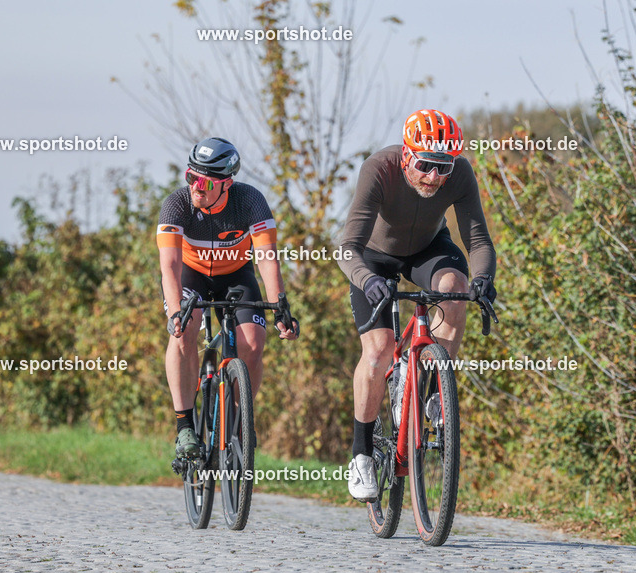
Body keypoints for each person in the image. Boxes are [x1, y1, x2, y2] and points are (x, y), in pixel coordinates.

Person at [337, 110, 498, 501]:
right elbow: (347, 248)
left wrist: (484, 281)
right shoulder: (379, 168)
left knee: (455, 286)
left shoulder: (460, 173)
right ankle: (361, 454)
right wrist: (367, 279)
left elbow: (477, 241)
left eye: (442, 167)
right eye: (424, 165)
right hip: (374, 259)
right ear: (406, 155)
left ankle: (430, 386)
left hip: (427, 251)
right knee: (377, 352)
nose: (433, 177)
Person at [157, 137, 298, 467]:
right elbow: (170, 265)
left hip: (235, 276)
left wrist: (280, 305)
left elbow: (266, 257)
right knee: (183, 331)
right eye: (190, 176)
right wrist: (176, 310)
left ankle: (237, 419)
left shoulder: (250, 201)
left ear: (226, 183)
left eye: (204, 181)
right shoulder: (176, 205)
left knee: (253, 341)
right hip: (190, 276)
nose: (195, 186)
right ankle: (184, 427)